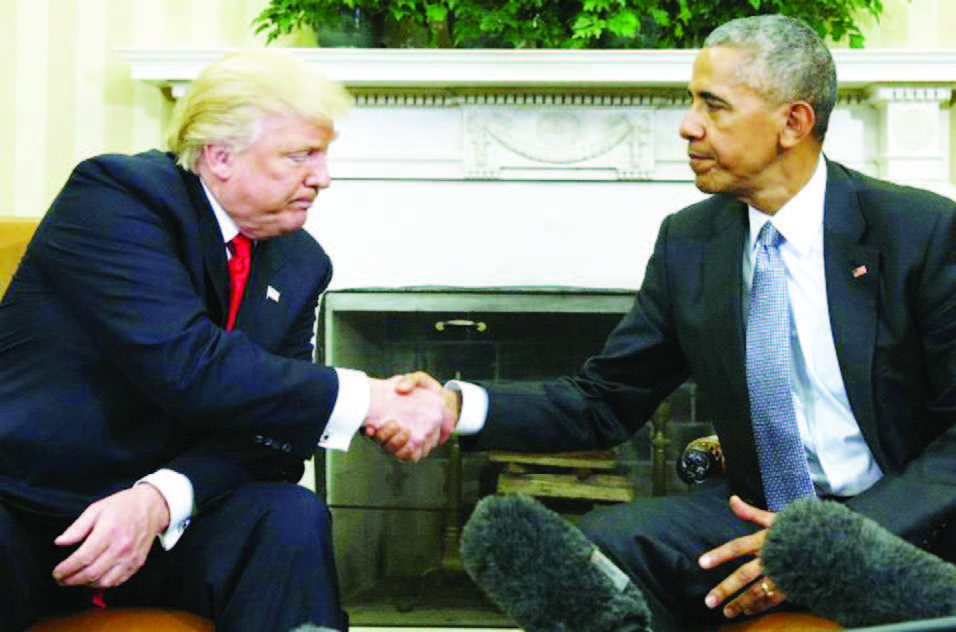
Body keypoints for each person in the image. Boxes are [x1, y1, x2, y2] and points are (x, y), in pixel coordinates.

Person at [372, 14, 956, 631]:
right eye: (690, 102)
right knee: (602, 550)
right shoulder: (690, 242)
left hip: (897, 520)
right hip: (754, 511)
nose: (687, 126)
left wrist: (827, 547)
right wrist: (459, 407)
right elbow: (604, 400)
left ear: (793, 123)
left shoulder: (920, 233)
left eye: (714, 106)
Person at [0, 49, 450, 632]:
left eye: (323, 155)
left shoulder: (299, 261)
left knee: (287, 515)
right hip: (30, 508)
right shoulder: (117, 199)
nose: (323, 177)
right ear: (219, 155)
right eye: (300, 156)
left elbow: (276, 441)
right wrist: (371, 398)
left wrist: (159, 500)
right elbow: (191, 365)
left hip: (166, 527)